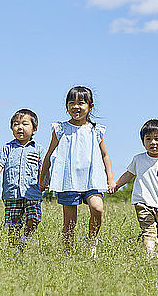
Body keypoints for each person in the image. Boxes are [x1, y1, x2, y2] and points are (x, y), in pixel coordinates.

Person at [39, 86, 116, 257]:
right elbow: (50, 153)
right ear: (66, 106)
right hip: (68, 180)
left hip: (92, 179)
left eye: (81, 103)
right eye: (71, 103)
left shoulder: (96, 130)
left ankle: (92, 241)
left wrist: (110, 179)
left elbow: (105, 155)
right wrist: (43, 176)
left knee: (98, 209)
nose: (76, 107)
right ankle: (67, 255)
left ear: (90, 106)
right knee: (69, 222)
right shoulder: (60, 129)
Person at [114, 119, 158, 256]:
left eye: (157, 139)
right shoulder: (138, 159)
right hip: (143, 202)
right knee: (149, 232)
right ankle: (150, 258)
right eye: (148, 139)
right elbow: (129, 174)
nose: (152, 142)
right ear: (143, 141)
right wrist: (116, 185)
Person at [0, 109, 45, 252]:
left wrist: (45, 181)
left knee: (34, 218)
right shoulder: (7, 148)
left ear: (34, 129)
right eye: (16, 124)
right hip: (12, 193)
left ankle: (25, 239)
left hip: (33, 192)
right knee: (14, 223)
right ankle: (13, 250)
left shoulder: (39, 149)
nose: (20, 127)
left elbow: (44, 167)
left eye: (25, 124)